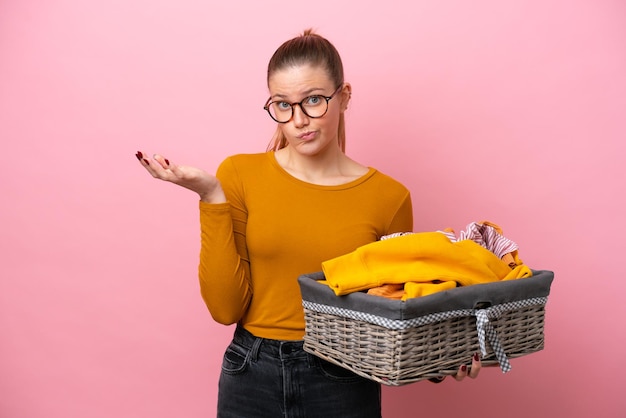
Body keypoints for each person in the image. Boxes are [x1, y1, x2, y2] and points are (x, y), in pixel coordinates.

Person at [136, 29, 480, 418]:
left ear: (344, 96)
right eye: (283, 105)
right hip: (251, 371)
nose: (299, 120)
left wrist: (442, 357)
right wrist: (212, 197)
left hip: (345, 375)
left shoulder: (389, 197)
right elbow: (225, 309)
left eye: (314, 100)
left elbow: (393, 305)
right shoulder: (238, 175)